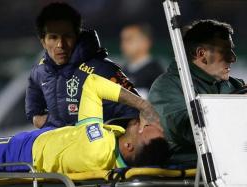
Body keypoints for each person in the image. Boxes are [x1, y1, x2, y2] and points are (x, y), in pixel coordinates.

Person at [0, 74, 169, 173]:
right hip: (47, 142)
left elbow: (92, 84)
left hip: (27, 155)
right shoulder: (120, 154)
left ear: (129, 146)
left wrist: (144, 105)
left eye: (146, 129)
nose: (149, 124)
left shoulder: (97, 148)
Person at [26, 2, 139, 129]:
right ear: (43, 42)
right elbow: (34, 112)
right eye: (53, 37)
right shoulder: (40, 71)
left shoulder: (103, 70)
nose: (60, 45)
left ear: (77, 36)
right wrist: (52, 126)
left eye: (67, 36)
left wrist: (100, 135)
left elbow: (135, 114)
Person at [148, 19, 245, 165]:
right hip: (189, 173)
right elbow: (191, 130)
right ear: (201, 53)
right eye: (225, 52)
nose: (233, 58)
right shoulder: (166, 87)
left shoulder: (236, 85)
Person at [120, 23, 164, 98]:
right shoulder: (121, 72)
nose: (123, 44)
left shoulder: (156, 74)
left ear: (145, 43)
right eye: (122, 40)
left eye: (129, 39)